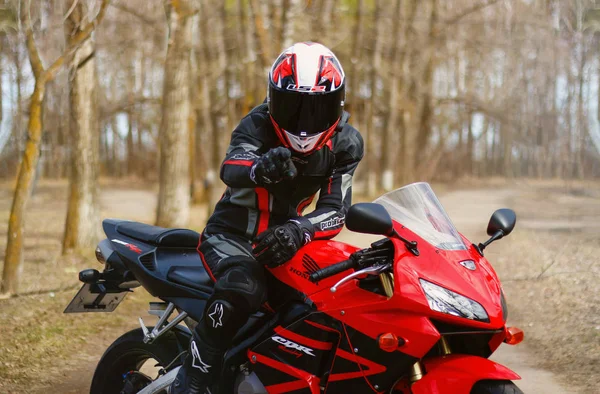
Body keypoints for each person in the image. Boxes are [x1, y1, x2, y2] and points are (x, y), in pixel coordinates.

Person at [171, 42, 364, 393]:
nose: (304, 122)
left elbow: (336, 210)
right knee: (244, 286)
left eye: (316, 107)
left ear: (337, 103)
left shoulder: (346, 143)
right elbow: (231, 167)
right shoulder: (257, 124)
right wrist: (259, 168)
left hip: (284, 240)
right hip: (230, 235)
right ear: (273, 99)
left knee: (319, 305)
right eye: (293, 106)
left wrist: (299, 229)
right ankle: (193, 381)